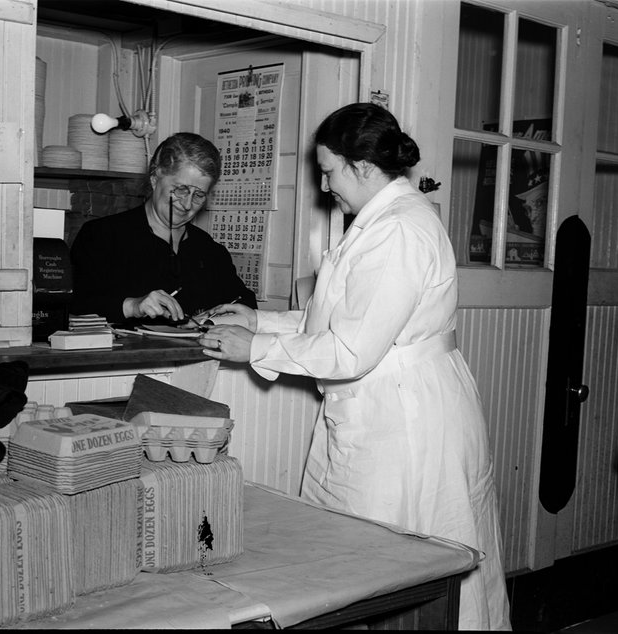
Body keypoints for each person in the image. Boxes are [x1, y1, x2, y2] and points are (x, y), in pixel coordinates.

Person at [198, 103, 511, 630]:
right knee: (362, 563)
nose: (324, 186)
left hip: (405, 422)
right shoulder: (378, 222)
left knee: (402, 567)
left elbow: (350, 350)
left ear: (363, 167)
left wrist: (254, 347)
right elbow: (344, 317)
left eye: (328, 170)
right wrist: (263, 321)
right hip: (386, 407)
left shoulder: (399, 232)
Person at [70, 132, 256, 327]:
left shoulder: (209, 251)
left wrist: (212, 319)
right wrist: (132, 306)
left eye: (199, 195)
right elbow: (75, 305)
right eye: (180, 189)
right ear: (154, 178)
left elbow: (245, 303)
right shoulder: (101, 236)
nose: (187, 204)